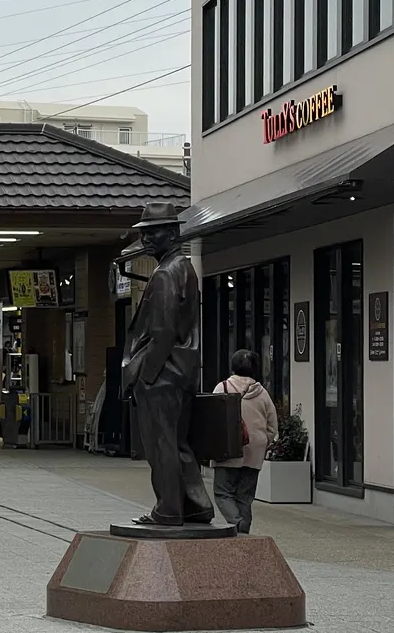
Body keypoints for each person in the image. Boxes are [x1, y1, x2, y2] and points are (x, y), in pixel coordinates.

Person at [120, 203, 214, 526]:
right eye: (144, 233)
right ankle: (197, 505)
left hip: (162, 374)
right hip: (182, 371)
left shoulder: (164, 274)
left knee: (161, 444)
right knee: (178, 442)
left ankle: (169, 508)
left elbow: (162, 333)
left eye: (154, 233)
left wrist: (145, 377)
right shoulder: (184, 268)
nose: (147, 239)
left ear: (173, 234)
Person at [212, 349, 279, 534]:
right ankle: (244, 532)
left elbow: (212, 418)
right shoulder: (262, 393)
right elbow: (272, 426)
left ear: (233, 367)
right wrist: (263, 443)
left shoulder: (222, 388)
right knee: (245, 497)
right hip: (254, 452)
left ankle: (237, 523)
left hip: (227, 450)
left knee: (223, 493)